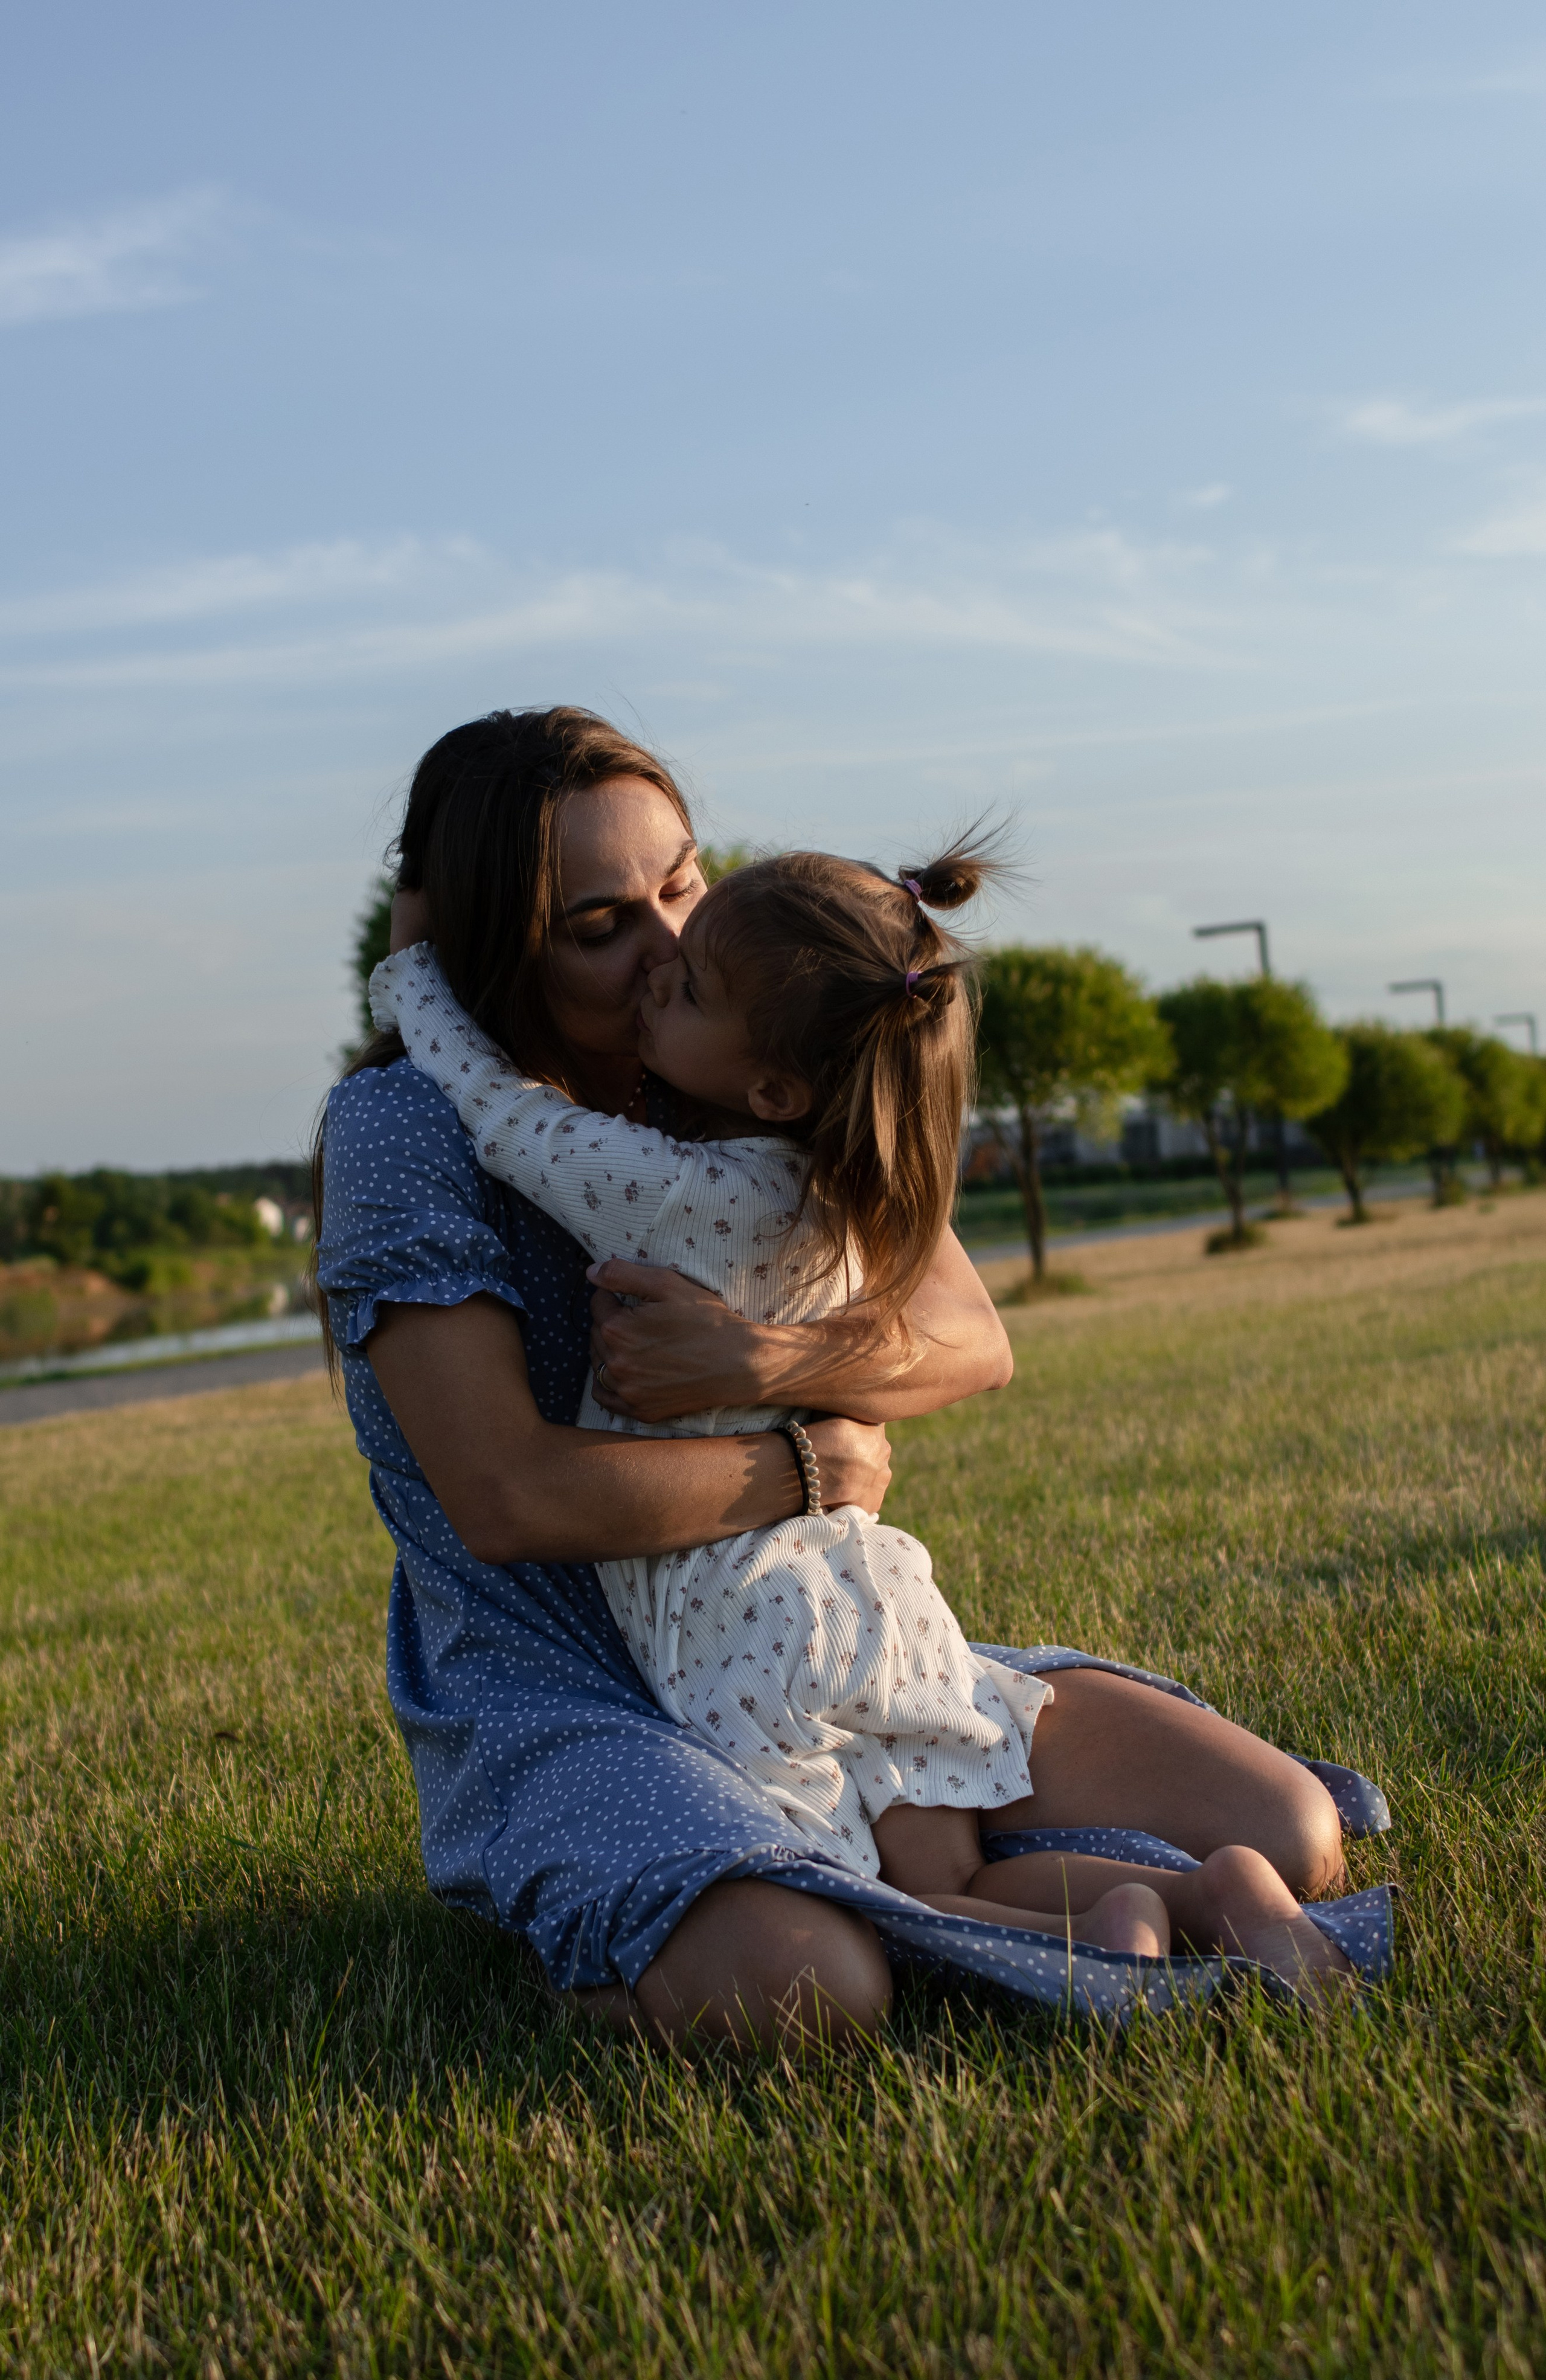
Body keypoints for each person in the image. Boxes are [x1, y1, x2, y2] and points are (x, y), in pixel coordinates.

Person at [314, 705, 1392, 2051]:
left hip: (788, 1644)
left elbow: (968, 1335)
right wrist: (813, 1463)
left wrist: (771, 1359)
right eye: (600, 926)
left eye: (680, 881)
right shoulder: (410, 1124)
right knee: (805, 1986)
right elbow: (508, 1495)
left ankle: (1063, 1903)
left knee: (1286, 1828)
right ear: (486, 943)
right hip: (567, 1686)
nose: (668, 948)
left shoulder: (742, 1054)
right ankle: (922, 1905)